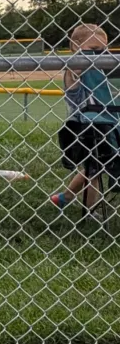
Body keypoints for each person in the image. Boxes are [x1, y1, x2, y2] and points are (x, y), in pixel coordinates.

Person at [52, 24, 116, 210]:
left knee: (95, 167)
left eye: (103, 49)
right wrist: (80, 63)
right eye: (94, 49)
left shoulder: (101, 69)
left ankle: (66, 196)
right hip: (85, 127)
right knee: (94, 169)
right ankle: (89, 210)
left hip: (107, 124)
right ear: (75, 46)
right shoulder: (76, 69)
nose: (99, 54)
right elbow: (74, 75)